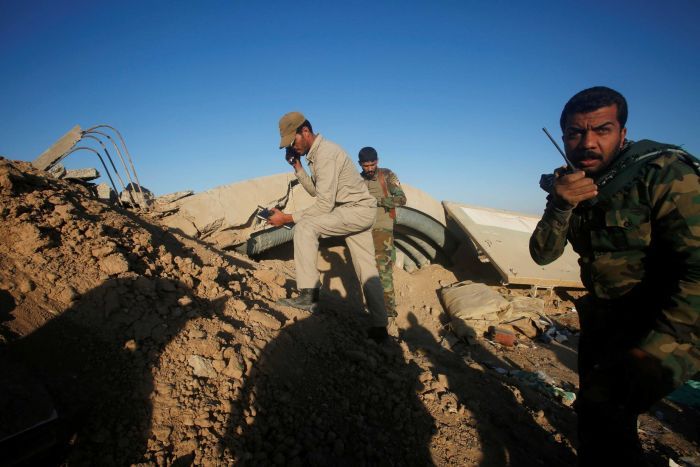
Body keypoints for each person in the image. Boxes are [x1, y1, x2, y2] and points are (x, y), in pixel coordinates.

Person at [529, 86, 700, 464]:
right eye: (575, 133)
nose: (587, 142)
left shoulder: (664, 173)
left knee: (605, 410)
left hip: (674, 317)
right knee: (596, 414)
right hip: (609, 317)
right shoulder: (570, 182)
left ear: (622, 134)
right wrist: (560, 205)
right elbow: (543, 254)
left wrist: (656, 347)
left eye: (601, 130)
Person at [268, 112, 390, 341]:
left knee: (305, 227)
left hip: (354, 211)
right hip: (357, 211)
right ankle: (380, 326)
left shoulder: (326, 154)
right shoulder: (317, 155)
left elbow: (324, 205)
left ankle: (308, 295)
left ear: (305, 132)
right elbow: (317, 191)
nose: (292, 146)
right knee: (367, 269)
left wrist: (286, 218)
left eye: (292, 141)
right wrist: (298, 166)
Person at [357, 147, 407, 325]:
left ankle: (389, 313)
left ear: (377, 162)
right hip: (362, 228)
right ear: (360, 164)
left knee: (383, 270)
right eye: (365, 165)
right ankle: (374, 310)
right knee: (365, 271)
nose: (369, 168)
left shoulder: (387, 175)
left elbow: (401, 199)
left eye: (372, 164)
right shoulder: (357, 180)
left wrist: (377, 201)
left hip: (382, 227)